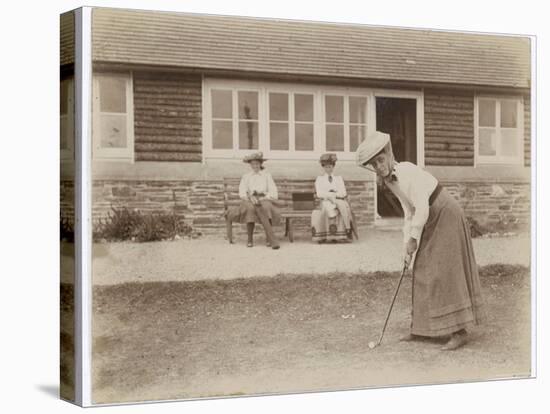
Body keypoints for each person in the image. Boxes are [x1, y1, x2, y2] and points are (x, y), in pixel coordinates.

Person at [356, 131, 485, 351]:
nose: (379, 166)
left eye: (380, 160)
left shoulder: (406, 171)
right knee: (422, 268)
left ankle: (459, 332)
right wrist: (407, 246)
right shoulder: (389, 182)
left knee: (444, 270)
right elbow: (409, 211)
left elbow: (422, 207)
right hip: (427, 215)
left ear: (389, 154)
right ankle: (423, 329)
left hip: (445, 213)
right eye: (373, 164)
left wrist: (414, 237)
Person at [225, 151, 280, 249]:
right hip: (249, 199)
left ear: (260, 164)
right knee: (250, 209)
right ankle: (250, 238)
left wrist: (264, 197)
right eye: (253, 164)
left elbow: (273, 191)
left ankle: (269, 238)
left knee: (266, 207)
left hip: (263, 198)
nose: (255, 166)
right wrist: (249, 197)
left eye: (257, 164)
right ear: (250, 165)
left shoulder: (267, 176)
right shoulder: (246, 177)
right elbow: (242, 192)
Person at [311, 153, 353, 243]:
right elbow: (319, 193)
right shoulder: (320, 179)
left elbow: (343, 192)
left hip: (337, 199)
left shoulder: (339, 179)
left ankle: (346, 230)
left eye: (330, 167)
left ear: (333, 167)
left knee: (342, 205)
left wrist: (333, 195)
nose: (328, 169)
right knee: (328, 208)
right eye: (326, 167)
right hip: (325, 200)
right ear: (323, 167)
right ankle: (327, 236)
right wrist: (331, 195)